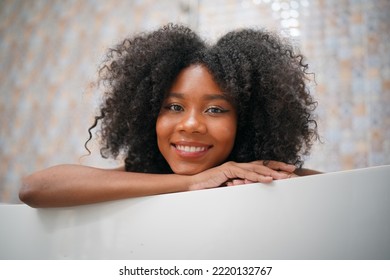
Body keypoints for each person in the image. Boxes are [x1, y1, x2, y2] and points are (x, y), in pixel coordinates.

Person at [19, 23, 320, 208]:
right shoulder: (141, 179)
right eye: (174, 107)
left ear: (247, 122)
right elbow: (35, 188)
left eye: (215, 109)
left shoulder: (263, 178)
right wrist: (197, 181)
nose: (190, 124)